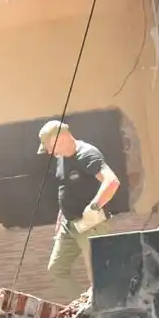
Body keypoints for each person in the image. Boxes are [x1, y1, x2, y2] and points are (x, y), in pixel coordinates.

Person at [38, 119, 122, 299]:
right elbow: (66, 187)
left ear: (59, 138)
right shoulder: (61, 158)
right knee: (57, 269)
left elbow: (112, 182)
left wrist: (94, 207)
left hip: (90, 224)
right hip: (69, 224)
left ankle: (102, 316)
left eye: (48, 146)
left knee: (99, 278)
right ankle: (81, 306)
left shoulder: (87, 154)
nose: (48, 152)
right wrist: (61, 216)